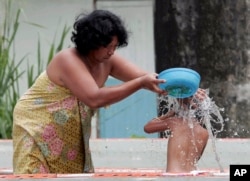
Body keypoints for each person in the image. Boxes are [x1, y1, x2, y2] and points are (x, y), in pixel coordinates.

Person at [12, 9, 166, 174]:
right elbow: (94, 98)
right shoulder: (68, 59)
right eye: (107, 46)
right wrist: (140, 83)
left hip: (68, 136)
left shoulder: (108, 61)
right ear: (92, 42)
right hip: (36, 129)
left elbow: (150, 79)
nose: (111, 51)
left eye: (115, 46)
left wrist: (185, 91)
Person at [144, 89, 209, 173]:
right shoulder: (204, 133)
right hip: (191, 176)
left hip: (173, 176)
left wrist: (169, 114)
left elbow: (147, 127)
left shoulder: (174, 122)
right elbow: (196, 158)